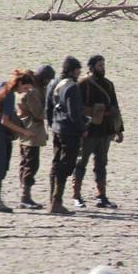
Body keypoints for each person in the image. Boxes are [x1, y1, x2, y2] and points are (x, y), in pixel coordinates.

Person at [71, 54, 124, 209]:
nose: (103, 68)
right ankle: (76, 196)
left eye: (104, 65)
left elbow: (115, 107)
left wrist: (119, 129)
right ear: (92, 67)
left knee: (101, 164)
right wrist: (92, 114)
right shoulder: (83, 84)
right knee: (81, 163)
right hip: (89, 130)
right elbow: (77, 109)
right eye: (100, 65)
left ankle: (101, 196)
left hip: (106, 129)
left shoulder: (108, 84)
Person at [0, 70, 38, 213]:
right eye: (25, 88)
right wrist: (25, 132)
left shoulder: (1, 85)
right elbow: (5, 122)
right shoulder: (10, 95)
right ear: (19, 83)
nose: (24, 92)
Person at [45, 56, 87, 215]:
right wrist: (83, 129)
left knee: (56, 164)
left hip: (56, 129)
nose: (78, 73)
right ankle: (56, 202)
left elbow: (48, 109)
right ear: (72, 70)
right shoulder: (72, 87)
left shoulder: (52, 84)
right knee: (65, 166)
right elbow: (74, 114)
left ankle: (52, 200)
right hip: (69, 132)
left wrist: (52, 124)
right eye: (77, 70)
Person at [15, 64, 55, 210]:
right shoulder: (31, 91)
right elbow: (38, 113)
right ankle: (25, 198)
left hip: (26, 131)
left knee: (25, 164)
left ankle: (25, 196)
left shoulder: (30, 87)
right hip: (31, 132)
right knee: (31, 165)